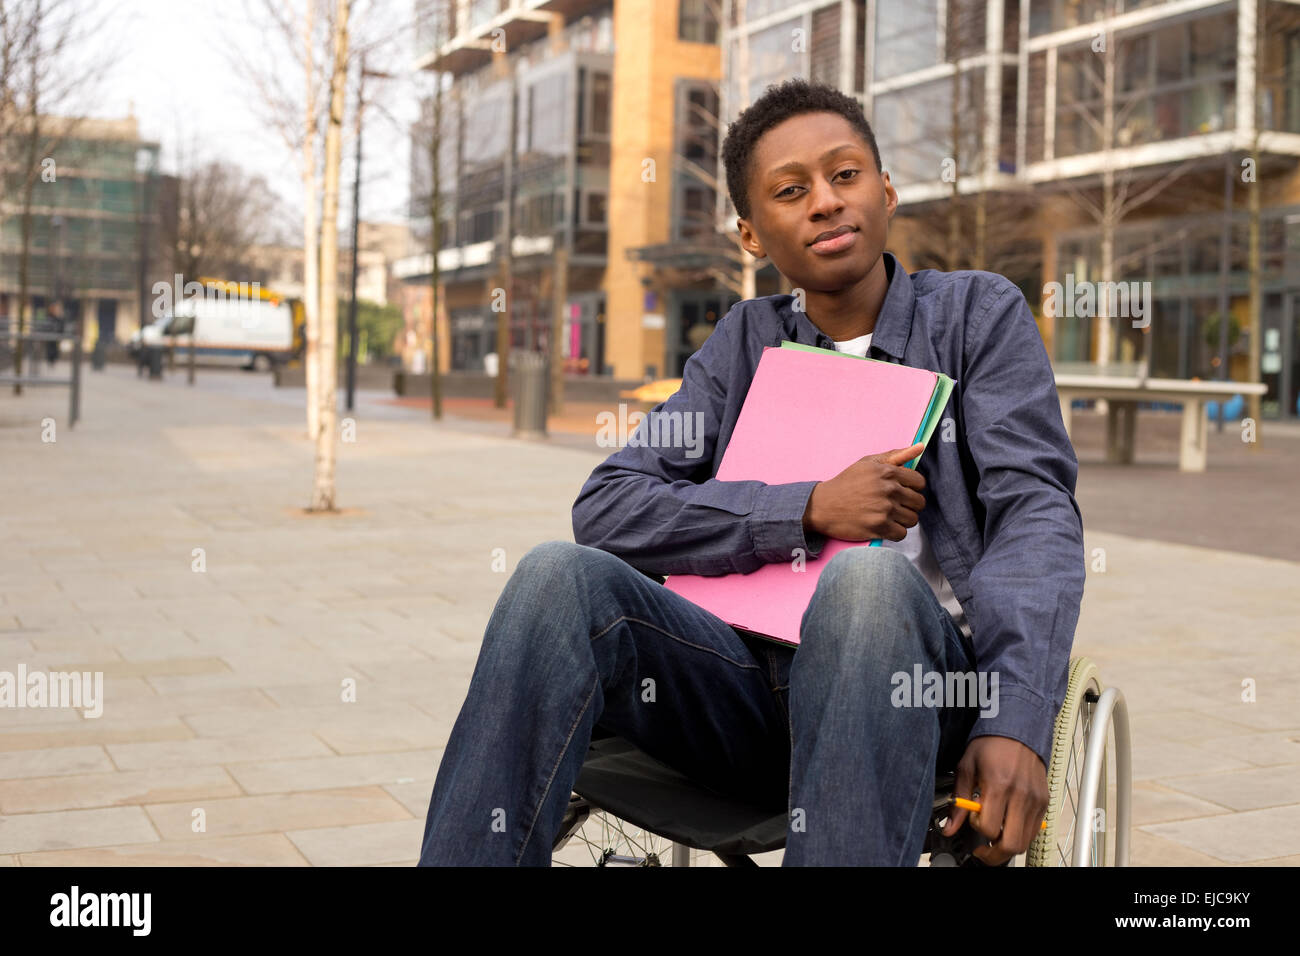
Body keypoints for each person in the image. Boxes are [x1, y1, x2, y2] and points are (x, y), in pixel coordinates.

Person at [418, 79, 1085, 866]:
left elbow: (1034, 513)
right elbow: (608, 505)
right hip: (736, 688)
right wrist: (805, 509)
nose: (827, 203)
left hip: (906, 687)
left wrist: (1015, 717)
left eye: (846, 176)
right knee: (552, 577)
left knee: (865, 587)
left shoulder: (977, 315)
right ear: (751, 234)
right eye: (791, 191)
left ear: (888, 190)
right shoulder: (744, 343)